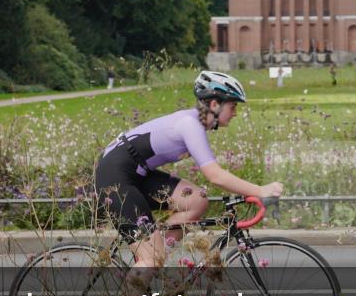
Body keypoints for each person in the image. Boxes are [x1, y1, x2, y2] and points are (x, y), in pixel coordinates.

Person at [96, 71, 283, 284]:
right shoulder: (190, 124)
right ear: (214, 104)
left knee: (196, 199)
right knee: (151, 258)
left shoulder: (194, 122)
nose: (235, 113)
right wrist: (260, 190)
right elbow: (215, 175)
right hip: (114, 177)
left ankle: (153, 260)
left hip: (136, 173)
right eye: (233, 107)